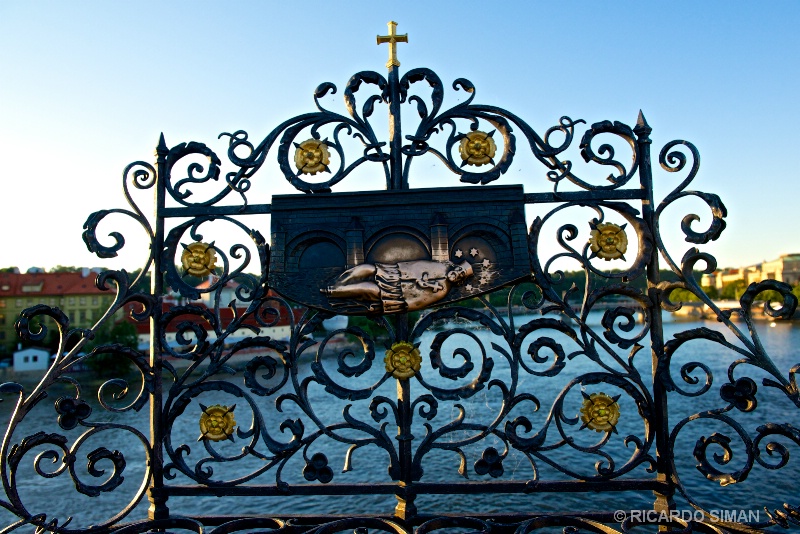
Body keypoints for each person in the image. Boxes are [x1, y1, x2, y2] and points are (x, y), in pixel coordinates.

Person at [321, 260, 473, 313]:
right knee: (367, 268)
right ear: (455, 267)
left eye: (460, 276)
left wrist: (420, 285)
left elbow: (419, 302)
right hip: (396, 273)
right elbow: (417, 265)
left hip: (397, 293)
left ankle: (333, 292)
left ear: (459, 281)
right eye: (459, 270)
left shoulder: (443, 291)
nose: (457, 274)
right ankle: (337, 283)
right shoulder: (441, 267)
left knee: (368, 289)